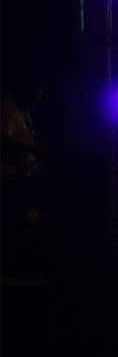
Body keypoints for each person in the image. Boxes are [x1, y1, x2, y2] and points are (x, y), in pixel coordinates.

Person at [1, 83, 43, 271]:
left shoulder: (20, 112)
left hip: (14, 178)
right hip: (6, 179)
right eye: (36, 95)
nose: (38, 101)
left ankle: (9, 261)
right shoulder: (8, 111)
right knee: (14, 219)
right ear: (25, 92)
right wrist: (33, 148)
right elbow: (2, 141)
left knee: (16, 219)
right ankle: (7, 263)